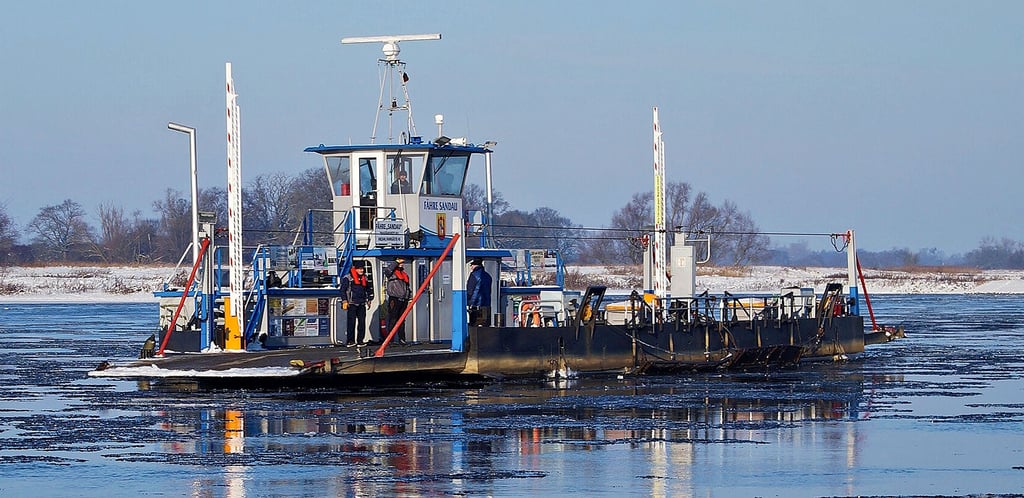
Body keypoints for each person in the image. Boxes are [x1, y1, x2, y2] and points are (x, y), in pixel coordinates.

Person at [340, 260, 374, 346]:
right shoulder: (348, 278)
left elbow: (368, 289)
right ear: (355, 269)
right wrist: (344, 300)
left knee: (362, 322)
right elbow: (342, 290)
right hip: (351, 303)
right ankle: (350, 341)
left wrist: (369, 299)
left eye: (362, 269)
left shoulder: (364, 278)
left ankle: (360, 340)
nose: (361, 270)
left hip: (361, 303)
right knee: (351, 323)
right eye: (359, 269)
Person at [385, 258, 412, 344]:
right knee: (393, 319)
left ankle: (402, 339)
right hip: (394, 299)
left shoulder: (405, 275)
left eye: (402, 262)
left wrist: (409, 298)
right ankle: (390, 340)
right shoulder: (391, 274)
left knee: (402, 320)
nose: (402, 264)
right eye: (400, 262)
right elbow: (388, 270)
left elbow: (407, 288)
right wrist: (396, 262)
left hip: (404, 300)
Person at [466, 258, 492, 326]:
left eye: (471, 265)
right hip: (486, 306)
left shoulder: (474, 275)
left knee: (474, 328)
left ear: (474, 265)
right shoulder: (488, 276)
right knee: (485, 328)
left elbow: (470, 291)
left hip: (475, 306)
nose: (471, 267)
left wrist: (467, 302)